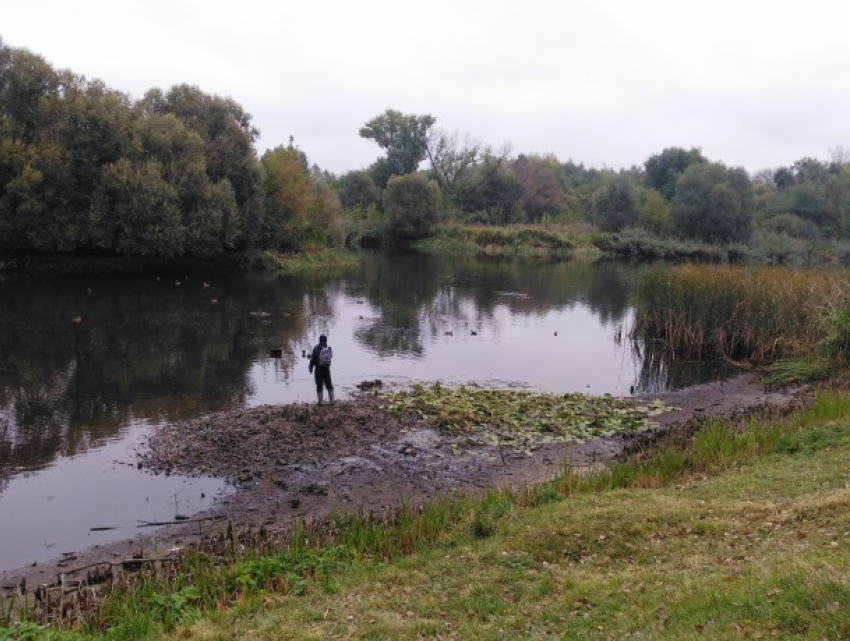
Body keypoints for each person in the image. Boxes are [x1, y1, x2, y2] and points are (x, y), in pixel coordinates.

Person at [308, 334, 334, 405]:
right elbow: (330, 357)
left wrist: (310, 368)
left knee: (319, 386)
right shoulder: (329, 348)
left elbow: (312, 360)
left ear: (319, 340)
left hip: (318, 371)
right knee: (329, 385)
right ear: (326, 340)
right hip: (327, 370)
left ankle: (320, 402)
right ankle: (331, 401)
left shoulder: (316, 348)